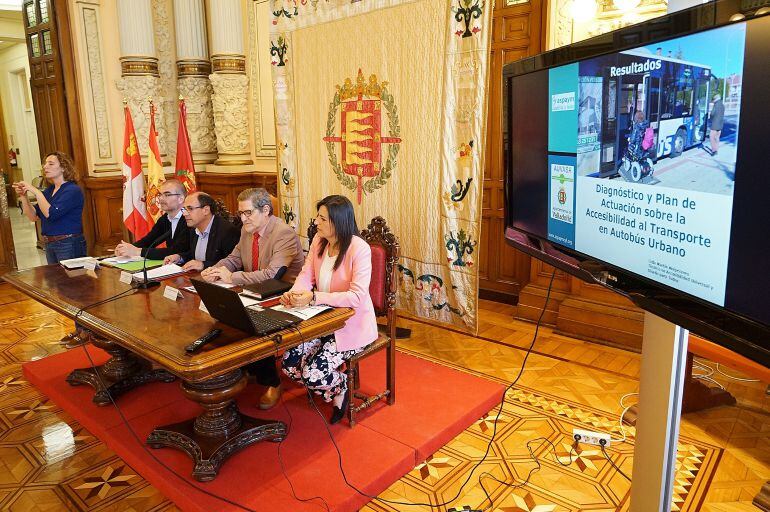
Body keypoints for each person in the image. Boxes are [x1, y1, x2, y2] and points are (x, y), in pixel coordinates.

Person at [201, 187, 304, 409]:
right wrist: (215, 269)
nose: (243, 218)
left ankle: (272, 382)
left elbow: (272, 275)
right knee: (223, 314)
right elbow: (234, 258)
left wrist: (233, 277)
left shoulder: (283, 233)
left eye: (248, 213)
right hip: (254, 290)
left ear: (265, 210)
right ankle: (244, 367)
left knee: (251, 322)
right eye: (241, 213)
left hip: (284, 293)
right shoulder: (247, 230)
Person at [280, 195, 377, 424]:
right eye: (318, 216)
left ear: (338, 221)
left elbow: (357, 296)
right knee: (289, 364)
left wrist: (314, 297)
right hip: (321, 320)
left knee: (313, 374)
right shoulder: (318, 241)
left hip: (352, 325)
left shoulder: (359, 248)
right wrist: (295, 294)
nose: (316, 222)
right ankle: (335, 388)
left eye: (322, 218)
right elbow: (306, 275)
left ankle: (342, 384)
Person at [13, 151, 86, 264]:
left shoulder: (72, 190)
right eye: (45, 164)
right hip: (50, 243)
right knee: (55, 281)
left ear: (63, 168)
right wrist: (23, 196)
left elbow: (50, 214)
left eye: (51, 164)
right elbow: (33, 216)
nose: (45, 166)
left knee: (71, 280)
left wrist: (36, 191)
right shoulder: (49, 191)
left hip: (68, 243)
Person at [115, 178, 190, 260]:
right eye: (160, 195)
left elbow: (177, 251)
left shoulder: (189, 219)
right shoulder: (165, 218)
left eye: (167, 195)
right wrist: (126, 249)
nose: (161, 198)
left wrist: (138, 251)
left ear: (181, 199)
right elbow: (149, 241)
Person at [163, 192, 239, 271]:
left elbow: (234, 264)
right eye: (184, 209)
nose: (184, 214)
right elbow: (196, 255)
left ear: (206, 210)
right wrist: (179, 257)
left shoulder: (227, 231)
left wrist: (204, 265)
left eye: (190, 209)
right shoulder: (193, 228)